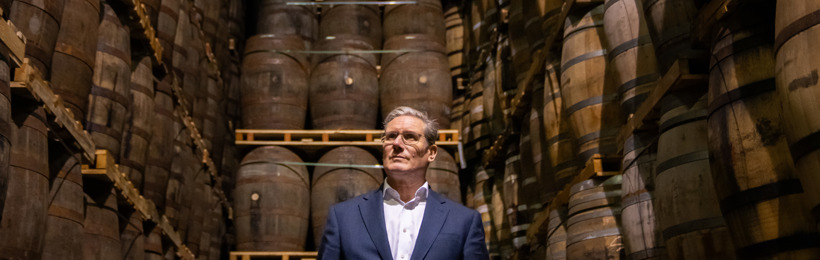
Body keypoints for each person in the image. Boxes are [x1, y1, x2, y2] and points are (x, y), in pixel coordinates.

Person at [318, 106, 489, 260]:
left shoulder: (463, 221)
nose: (397, 144)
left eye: (410, 137)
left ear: (431, 152)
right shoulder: (344, 217)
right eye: (391, 136)